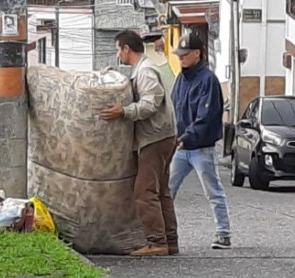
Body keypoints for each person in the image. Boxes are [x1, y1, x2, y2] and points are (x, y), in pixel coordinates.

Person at [99, 30, 179, 256]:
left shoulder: (146, 71)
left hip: (154, 138)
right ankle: (170, 241)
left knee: (144, 192)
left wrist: (123, 112)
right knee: (161, 191)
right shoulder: (142, 70)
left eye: (118, 49)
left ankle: (157, 243)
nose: (118, 54)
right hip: (162, 136)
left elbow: (150, 104)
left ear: (126, 49)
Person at [170, 34, 231, 250]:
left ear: (197, 53)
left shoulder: (209, 80)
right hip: (181, 147)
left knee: (213, 191)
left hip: (201, 148)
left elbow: (206, 117)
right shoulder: (180, 79)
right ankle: (164, 234)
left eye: (185, 55)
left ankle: (223, 233)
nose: (181, 59)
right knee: (167, 190)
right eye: (180, 55)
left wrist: (185, 137)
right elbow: (174, 108)